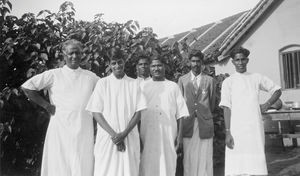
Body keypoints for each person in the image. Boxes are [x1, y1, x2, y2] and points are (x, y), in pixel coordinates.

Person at [21, 39, 99, 176]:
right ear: (64, 55)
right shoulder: (54, 74)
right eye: (71, 53)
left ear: (82, 55)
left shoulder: (91, 77)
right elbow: (27, 87)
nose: (74, 56)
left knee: (82, 165)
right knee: (59, 165)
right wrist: (46, 105)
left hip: (83, 129)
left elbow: (108, 91)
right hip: (60, 129)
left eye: (78, 53)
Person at [219, 47, 282, 176]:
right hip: (236, 130)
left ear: (247, 60)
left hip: (254, 128)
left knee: (256, 166)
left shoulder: (256, 77)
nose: (240, 63)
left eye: (243, 59)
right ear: (233, 62)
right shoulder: (228, 82)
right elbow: (226, 107)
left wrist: (267, 104)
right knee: (236, 166)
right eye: (237, 60)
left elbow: (277, 90)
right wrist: (228, 132)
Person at [85, 48, 147, 176]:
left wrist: (123, 135)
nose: (117, 66)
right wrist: (115, 136)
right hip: (108, 138)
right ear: (109, 65)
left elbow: (139, 112)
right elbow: (96, 112)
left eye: (120, 62)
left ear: (124, 62)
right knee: (106, 171)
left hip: (128, 137)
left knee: (128, 170)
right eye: (113, 63)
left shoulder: (134, 84)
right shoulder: (103, 83)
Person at [139, 57, 189, 176]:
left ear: (164, 67)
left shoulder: (173, 86)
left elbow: (181, 114)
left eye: (159, 65)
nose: (156, 68)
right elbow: (137, 114)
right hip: (147, 135)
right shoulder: (143, 86)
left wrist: (180, 137)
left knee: (167, 166)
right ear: (149, 69)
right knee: (147, 166)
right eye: (153, 66)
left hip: (168, 135)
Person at [177, 50, 216, 176]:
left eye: (198, 61)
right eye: (193, 61)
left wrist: (203, 113)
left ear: (202, 63)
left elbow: (212, 103)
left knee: (205, 156)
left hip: (204, 123)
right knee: (188, 156)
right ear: (189, 63)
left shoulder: (209, 81)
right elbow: (179, 105)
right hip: (188, 124)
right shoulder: (182, 80)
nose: (195, 64)